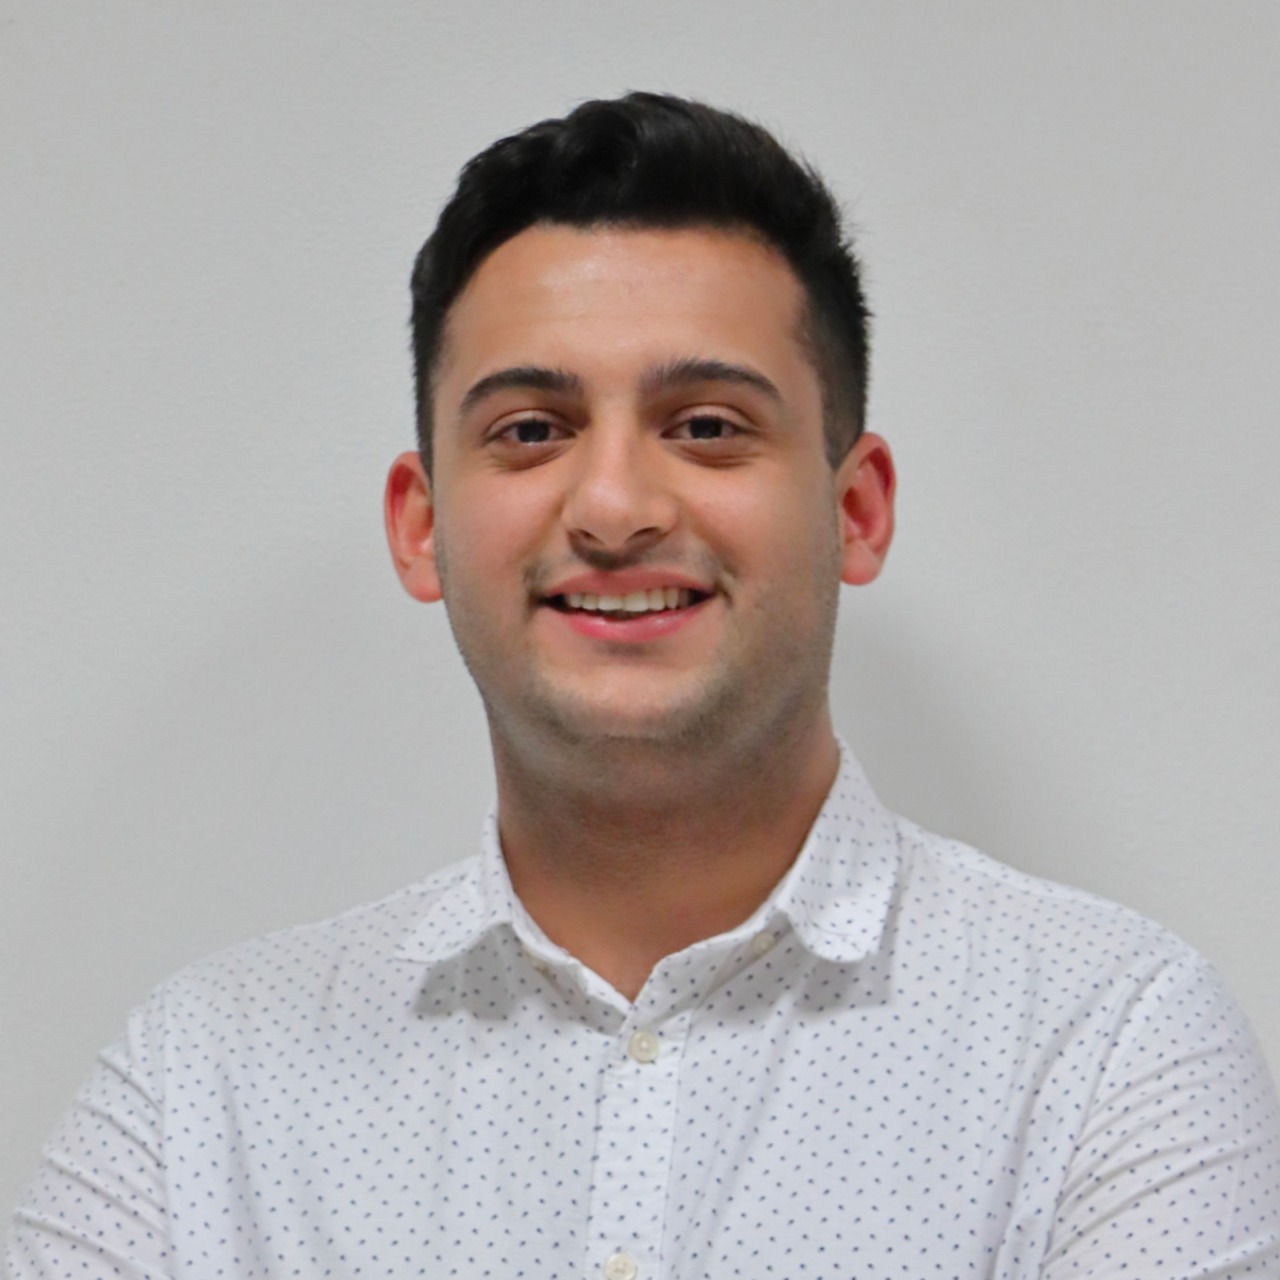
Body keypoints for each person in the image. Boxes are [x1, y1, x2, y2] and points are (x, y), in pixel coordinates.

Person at [7, 93, 1279, 1279]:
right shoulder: (196, 1089)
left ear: (854, 509)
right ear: (421, 524)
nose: (613, 507)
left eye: (706, 425)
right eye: (530, 430)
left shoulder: (1106, 1042)